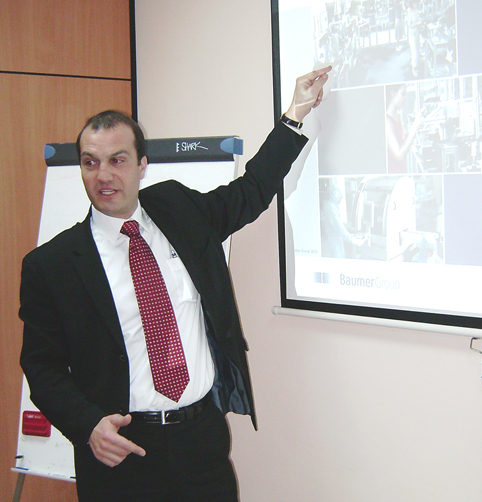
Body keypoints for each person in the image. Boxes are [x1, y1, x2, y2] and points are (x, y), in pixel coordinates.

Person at [19, 67, 331, 502]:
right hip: (122, 455)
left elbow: (250, 192)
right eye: (90, 162)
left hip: (200, 441)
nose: (103, 175)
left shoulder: (178, 211)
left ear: (142, 165)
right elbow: (42, 368)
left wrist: (295, 113)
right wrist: (87, 424)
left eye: (117, 160)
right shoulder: (51, 265)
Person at [386, 83, 425, 173]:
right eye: (403, 94)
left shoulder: (396, 118)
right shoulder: (387, 122)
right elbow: (399, 155)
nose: (405, 98)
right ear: (393, 94)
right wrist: (415, 127)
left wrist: (417, 122)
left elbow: (403, 142)